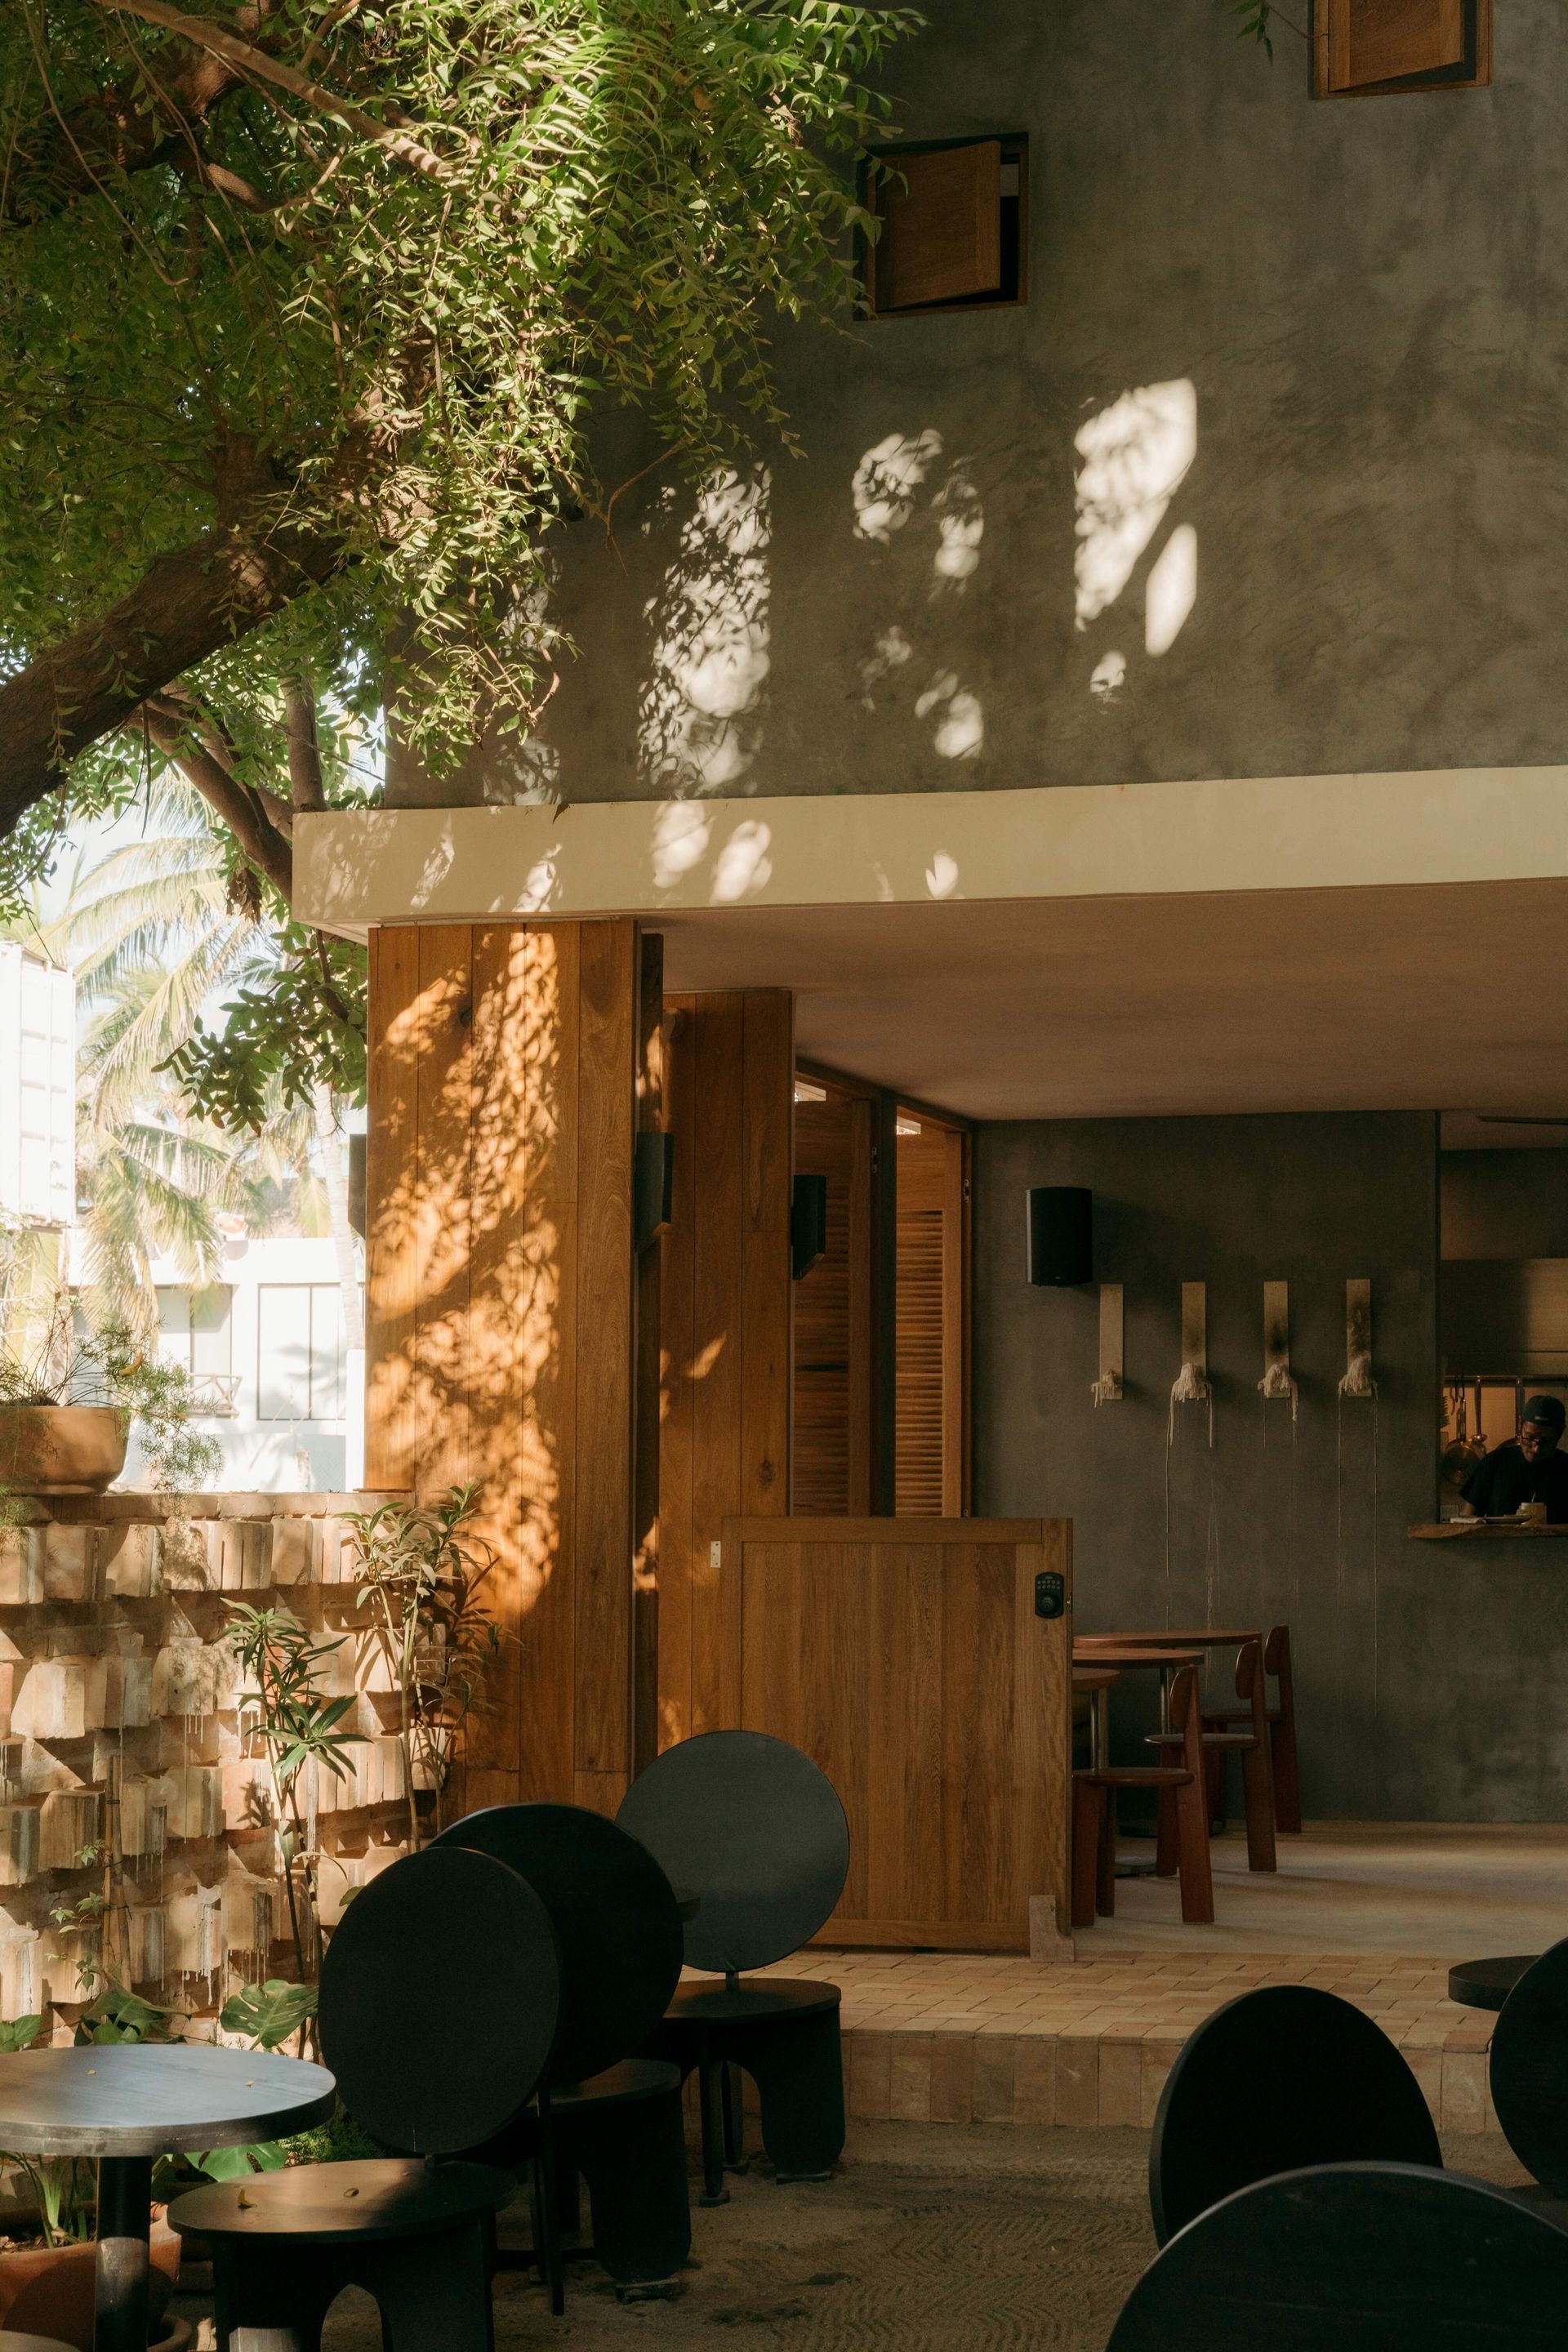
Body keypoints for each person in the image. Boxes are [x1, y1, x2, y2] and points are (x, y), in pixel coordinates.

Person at [1461, 1395, 1568, 1521]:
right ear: (1520, 1426)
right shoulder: (1494, 1463)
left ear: (1560, 1434)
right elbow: (1468, 1518)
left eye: (1546, 1441)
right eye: (1530, 1437)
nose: (1536, 1448)